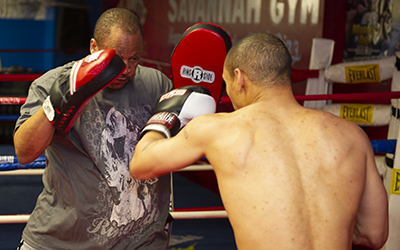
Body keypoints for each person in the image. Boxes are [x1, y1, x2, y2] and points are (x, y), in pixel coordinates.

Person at [130, 33, 389, 250]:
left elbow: (141, 164)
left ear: (239, 78)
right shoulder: (352, 135)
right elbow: (374, 235)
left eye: (226, 81)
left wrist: (167, 116)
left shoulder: (219, 130)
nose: (227, 90)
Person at [13, 8, 173, 250]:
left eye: (135, 59)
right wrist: (57, 102)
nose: (127, 69)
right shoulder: (50, 83)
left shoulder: (156, 83)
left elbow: (177, 150)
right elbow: (25, 153)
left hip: (140, 242)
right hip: (62, 241)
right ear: (93, 48)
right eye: (118, 59)